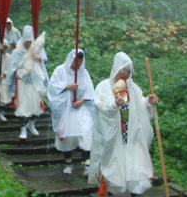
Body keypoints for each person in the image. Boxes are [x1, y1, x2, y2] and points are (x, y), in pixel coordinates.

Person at [88, 52, 159, 197]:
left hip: (132, 136)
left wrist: (148, 102)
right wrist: (114, 104)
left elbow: (140, 104)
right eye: (123, 70)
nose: (126, 74)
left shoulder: (132, 87)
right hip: (115, 138)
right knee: (115, 168)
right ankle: (114, 191)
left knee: (136, 167)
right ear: (116, 69)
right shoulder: (104, 87)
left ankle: (136, 193)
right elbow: (100, 106)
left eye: (128, 71)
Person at [48, 49, 94, 176]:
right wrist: (67, 86)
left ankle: (87, 165)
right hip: (66, 109)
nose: (78, 64)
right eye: (76, 60)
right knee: (67, 136)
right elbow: (52, 87)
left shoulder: (84, 73)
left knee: (86, 133)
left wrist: (82, 101)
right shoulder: (59, 71)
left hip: (81, 108)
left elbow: (90, 90)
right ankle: (68, 163)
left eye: (80, 61)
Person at [6, 26, 48, 140]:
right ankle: (23, 128)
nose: (29, 44)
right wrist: (23, 71)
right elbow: (12, 68)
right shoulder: (17, 51)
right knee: (23, 106)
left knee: (36, 105)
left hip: (34, 82)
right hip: (22, 83)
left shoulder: (35, 48)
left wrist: (39, 59)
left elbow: (43, 62)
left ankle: (31, 123)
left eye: (30, 42)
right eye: (27, 42)